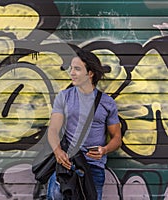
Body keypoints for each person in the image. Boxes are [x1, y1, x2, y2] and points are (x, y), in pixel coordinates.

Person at [46, 49, 122, 200]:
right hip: (67, 164)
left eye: (77, 69)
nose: (72, 73)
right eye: (71, 68)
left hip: (94, 168)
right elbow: (53, 129)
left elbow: (117, 138)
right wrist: (58, 151)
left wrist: (104, 149)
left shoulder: (107, 103)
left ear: (90, 73)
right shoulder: (64, 97)